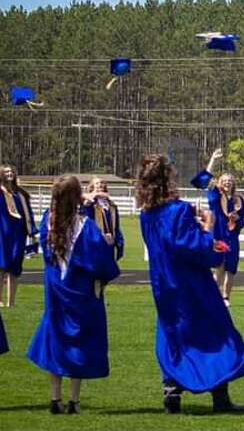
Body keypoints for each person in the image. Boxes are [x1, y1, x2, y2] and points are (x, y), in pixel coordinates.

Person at [138, 153, 244, 414]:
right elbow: (198, 250)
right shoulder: (178, 210)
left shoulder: (146, 215)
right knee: (217, 333)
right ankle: (220, 397)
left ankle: (172, 394)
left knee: (173, 334)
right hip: (191, 285)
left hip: (164, 285)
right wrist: (207, 229)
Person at [27, 175, 121, 414]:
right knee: (80, 341)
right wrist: (107, 244)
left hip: (56, 291)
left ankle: (54, 399)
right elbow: (100, 263)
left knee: (56, 339)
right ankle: (74, 401)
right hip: (81, 293)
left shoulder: (48, 221)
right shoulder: (85, 227)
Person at [192, 149, 244, 305]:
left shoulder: (239, 200)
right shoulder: (215, 196)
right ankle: (212, 296)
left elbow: (242, 222)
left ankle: (226, 297)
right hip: (218, 236)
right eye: (225, 180)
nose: (227, 182)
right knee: (218, 267)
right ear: (220, 183)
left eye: (230, 180)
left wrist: (237, 219)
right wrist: (213, 160)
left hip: (232, 237)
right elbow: (203, 181)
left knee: (231, 269)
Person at [0, 165, 37, 307]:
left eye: (12, 172)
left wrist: (31, 230)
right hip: (2, 233)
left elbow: (28, 213)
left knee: (15, 267)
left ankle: (11, 301)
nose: (10, 174)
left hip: (18, 234)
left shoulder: (20, 194)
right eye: (6, 172)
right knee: (1, 266)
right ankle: (0, 300)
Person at [83, 177, 124, 263]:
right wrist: (96, 194)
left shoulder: (111, 204)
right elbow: (86, 214)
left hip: (109, 242)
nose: (100, 185)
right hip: (95, 241)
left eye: (101, 183)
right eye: (97, 183)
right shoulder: (90, 202)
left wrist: (118, 241)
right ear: (92, 186)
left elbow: (116, 225)